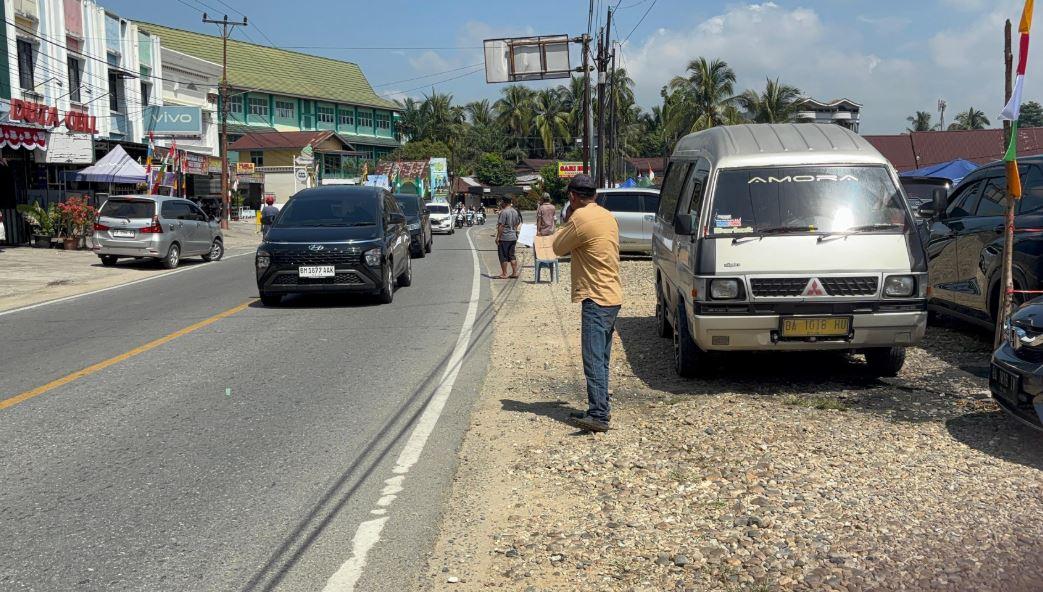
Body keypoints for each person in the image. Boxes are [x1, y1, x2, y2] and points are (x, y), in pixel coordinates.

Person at [552, 175, 622, 433]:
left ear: (572, 196)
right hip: (612, 294)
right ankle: (600, 406)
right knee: (601, 359)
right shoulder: (607, 215)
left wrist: (569, 217)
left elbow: (558, 246)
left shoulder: (580, 219)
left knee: (592, 359)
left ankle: (599, 415)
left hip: (596, 296)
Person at [495, 196, 523, 279]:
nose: (501, 203)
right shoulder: (515, 211)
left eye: (502, 202)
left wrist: (498, 237)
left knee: (503, 256)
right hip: (513, 236)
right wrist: (514, 229)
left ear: (504, 202)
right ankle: (514, 272)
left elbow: (501, 226)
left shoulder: (504, 212)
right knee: (512, 255)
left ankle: (504, 273)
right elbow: (518, 222)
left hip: (504, 237)